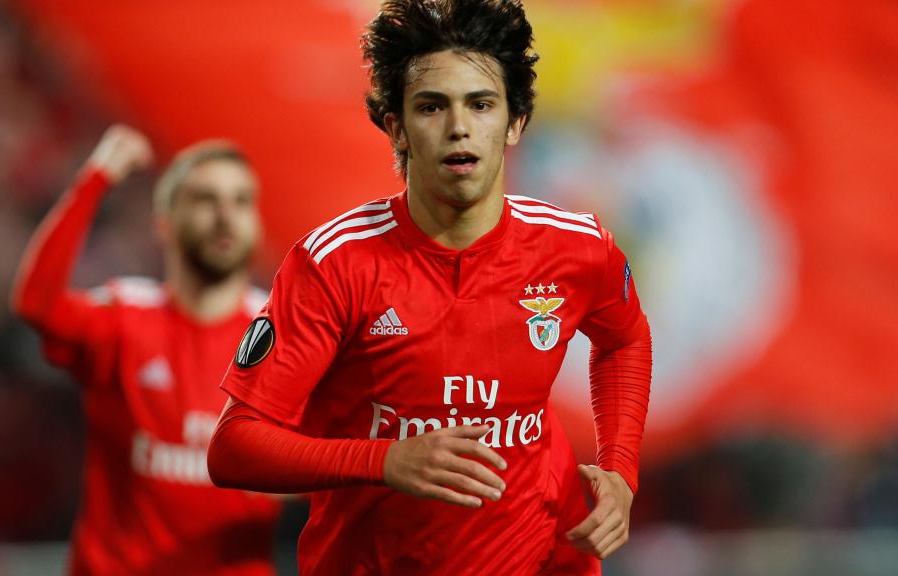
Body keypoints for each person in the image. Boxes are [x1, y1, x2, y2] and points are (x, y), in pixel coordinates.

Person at [208, 0, 651, 574]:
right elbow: (235, 447)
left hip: (543, 557)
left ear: (515, 122)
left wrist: (619, 470)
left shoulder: (579, 247)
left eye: (482, 104)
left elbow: (625, 339)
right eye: (431, 106)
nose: (459, 126)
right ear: (396, 126)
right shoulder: (334, 264)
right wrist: (386, 460)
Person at [12, 125, 281, 575]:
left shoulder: (285, 336)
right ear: (165, 223)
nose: (224, 216)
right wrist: (97, 177)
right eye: (205, 199)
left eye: (240, 202)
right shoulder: (125, 316)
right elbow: (36, 303)